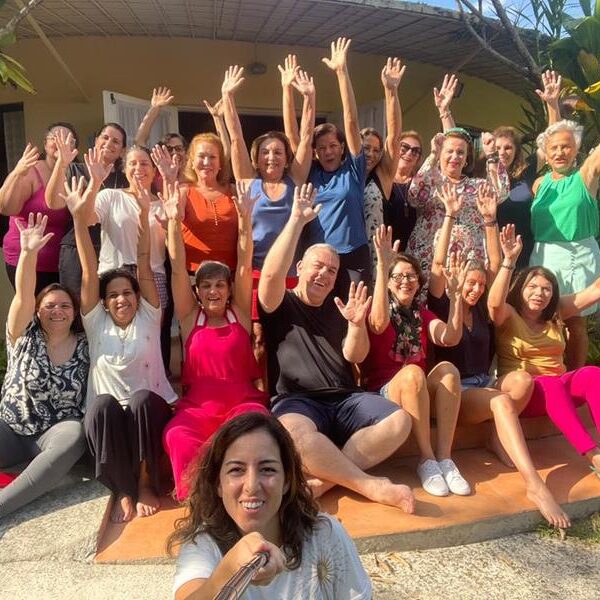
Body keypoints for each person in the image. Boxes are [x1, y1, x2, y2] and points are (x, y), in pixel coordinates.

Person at [258, 183, 414, 512]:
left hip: (345, 398)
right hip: (297, 401)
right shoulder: (280, 303)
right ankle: (369, 485)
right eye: (318, 266)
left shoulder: (341, 306)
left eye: (332, 270)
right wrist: (296, 221)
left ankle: (325, 481)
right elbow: (270, 276)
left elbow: (355, 356)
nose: (325, 274)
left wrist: (356, 325)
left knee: (400, 421)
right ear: (299, 268)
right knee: (294, 435)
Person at [427, 186, 570, 528]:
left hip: (482, 385)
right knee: (502, 401)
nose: (475, 289)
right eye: (470, 283)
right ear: (457, 281)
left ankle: (498, 437)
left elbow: (494, 265)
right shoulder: (443, 303)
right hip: (453, 391)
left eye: (480, 285)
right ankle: (534, 484)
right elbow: (437, 264)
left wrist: (491, 223)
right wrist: (449, 215)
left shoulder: (485, 311)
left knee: (520, 382)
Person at [65, 175, 176, 523]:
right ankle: (123, 489)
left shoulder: (149, 316)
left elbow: (143, 262)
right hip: (110, 419)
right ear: (105, 302)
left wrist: (143, 215)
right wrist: (78, 219)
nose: (121, 299)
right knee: (100, 405)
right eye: (113, 295)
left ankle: (144, 483)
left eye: (127, 293)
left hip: (148, 412)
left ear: (137, 297)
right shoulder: (96, 322)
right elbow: (88, 269)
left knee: (141, 399)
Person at [168, 412, 372, 599]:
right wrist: (229, 570)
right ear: (218, 484)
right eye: (236, 470)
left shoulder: (325, 535)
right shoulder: (203, 546)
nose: (251, 486)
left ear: (287, 481)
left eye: (267, 469)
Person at [162, 180, 269, 500]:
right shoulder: (189, 318)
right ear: (197, 291)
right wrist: (173, 220)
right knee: (177, 434)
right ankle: (199, 499)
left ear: (228, 289)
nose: (213, 291)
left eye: (219, 285)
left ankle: (245, 495)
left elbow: (245, 263)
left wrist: (245, 219)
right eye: (206, 286)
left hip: (243, 405)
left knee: (256, 431)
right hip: (198, 409)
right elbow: (178, 269)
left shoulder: (239, 315)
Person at [221, 60, 315, 371]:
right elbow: (235, 137)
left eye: (277, 152)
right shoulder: (248, 182)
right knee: (258, 338)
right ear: (256, 158)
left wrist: (308, 97)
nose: (271, 157)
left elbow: (305, 137)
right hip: (255, 274)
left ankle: (285, 390)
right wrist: (228, 97)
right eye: (265, 152)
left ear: (286, 158)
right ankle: (260, 393)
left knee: (289, 338)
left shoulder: (295, 180)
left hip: (290, 275)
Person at [362, 224, 469, 497]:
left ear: (419, 283)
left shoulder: (422, 314)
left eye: (411, 276)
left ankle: (445, 458)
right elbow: (378, 324)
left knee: (448, 370)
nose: (405, 281)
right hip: (384, 392)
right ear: (388, 282)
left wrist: (456, 297)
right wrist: (382, 266)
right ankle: (426, 459)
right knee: (412, 373)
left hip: (417, 388)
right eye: (397, 276)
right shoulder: (378, 307)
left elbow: (449, 337)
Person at [488, 224, 600, 485]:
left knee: (593, 374)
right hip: (525, 393)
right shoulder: (508, 315)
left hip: (558, 387)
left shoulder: (556, 312)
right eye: (533, 287)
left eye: (546, 289)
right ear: (521, 288)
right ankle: (593, 455)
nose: (539, 293)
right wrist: (509, 260)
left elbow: (594, 291)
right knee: (550, 384)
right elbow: (493, 303)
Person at [0, 213, 88, 519]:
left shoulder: (85, 346)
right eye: (49, 305)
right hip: (9, 429)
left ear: (74, 312)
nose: (57, 310)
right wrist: (28, 253)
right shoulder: (23, 334)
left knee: (75, 434)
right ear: (37, 312)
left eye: (65, 305)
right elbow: (24, 295)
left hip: (52, 435)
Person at [408, 81, 510, 294]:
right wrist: (433, 154)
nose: (455, 156)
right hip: (429, 263)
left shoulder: (476, 186)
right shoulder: (432, 180)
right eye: (449, 151)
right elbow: (414, 196)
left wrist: (492, 155)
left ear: (466, 159)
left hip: (468, 270)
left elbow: (500, 193)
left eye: (461, 153)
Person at [299, 38, 370, 288]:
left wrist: (342, 71)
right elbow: (299, 137)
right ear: (315, 152)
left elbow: (351, 121)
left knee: (356, 309)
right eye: (321, 148)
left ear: (342, 148)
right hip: (319, 257)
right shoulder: (311, 174)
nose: (328, 151)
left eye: (333, 146)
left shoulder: (353, 170)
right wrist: (308, 98)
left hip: (354, 255)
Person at [530, 119, 600, 369]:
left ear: (577, 150)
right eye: (554, 148)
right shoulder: (540, 184)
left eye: (566, 146)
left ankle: (577, 377)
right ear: (546, 154)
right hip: (543, 254)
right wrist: (552, 105)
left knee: (574, 322)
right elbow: (552, 131)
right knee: (541, 316)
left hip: (576, 254)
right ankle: (551, 371)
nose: (560, 152)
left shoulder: (585, 176)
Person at [82, 145, 169, 312]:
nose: (138, 168)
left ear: (154, 170)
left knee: (150, 328)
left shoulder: (164, 204)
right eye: (132, 163)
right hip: (113, 275)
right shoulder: (110, 196)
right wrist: (95, 183)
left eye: (144, 163)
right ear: (124, 169)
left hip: (153, 277)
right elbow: (85, 219)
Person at [44, 122, 128, 295]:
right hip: (76, 249)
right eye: (105, 137)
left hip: (113, 252)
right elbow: (53, 202)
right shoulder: (75, 169)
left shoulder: (125, 179)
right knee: (76, 303)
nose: (109, 143)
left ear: (122, 151)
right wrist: (61, 164)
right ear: (96, 141)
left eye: (116, 141)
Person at [495, 70, 562, 269]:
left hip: (524, 250)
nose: (502, 152)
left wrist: (552, 104)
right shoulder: (483, 176)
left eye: (508, 148)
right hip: (492, 252)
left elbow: (551, 141)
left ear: (516, 151)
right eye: (498, 148)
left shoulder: (526, 171)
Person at [1, 123, 77, 293]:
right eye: (55, 137)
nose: (61, 142)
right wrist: (17, 173)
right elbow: (6, 208)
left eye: (68, 139)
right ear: (45, 144)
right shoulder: (30, 170)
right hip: (26, 258)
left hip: (63, 263)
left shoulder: (76, 174)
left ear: (74, 148)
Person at [362, 57, 404, 279]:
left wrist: (391, 92)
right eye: (366, 148)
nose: (371, 154)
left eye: (376, 150)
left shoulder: (382, 176)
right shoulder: (344, 175)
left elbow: (395, 137)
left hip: (376, 258)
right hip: (346, 253)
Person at [176, 132, 238, 273]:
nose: (206, 162)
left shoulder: (234, 191)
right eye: (201, 156)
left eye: (212, 157)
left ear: (220, 163)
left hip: (230, 275)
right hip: (194, 274)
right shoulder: (183, 192)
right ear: (192, 161)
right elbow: (173, 225)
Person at [386, 131, 422, 251]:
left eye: (415, 151)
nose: (409, 153)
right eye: (404, 147)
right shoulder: (383, 180)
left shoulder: (421, 184)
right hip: (386, 249)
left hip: (413, 251)